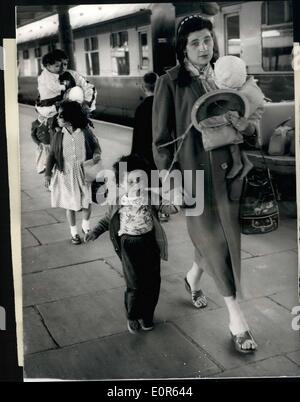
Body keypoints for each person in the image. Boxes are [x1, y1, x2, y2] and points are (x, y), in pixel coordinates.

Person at [153, 15, 263, 353]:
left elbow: (252, 130)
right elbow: (160, 141)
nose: (204, 48)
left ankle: (192, 279)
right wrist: (171, 182)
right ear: (183, 48)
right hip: (194, 179)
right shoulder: (169, 82)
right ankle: (237, 320)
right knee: (217, 244)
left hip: (231, 175)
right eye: (196, 42)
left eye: (208, 40)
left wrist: (246, 126)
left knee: (224, 241)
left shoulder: (228, 78)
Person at [85, 154, 176, 334]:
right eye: (131, 181)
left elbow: (168, 208)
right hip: (129, 245)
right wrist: (95, 231)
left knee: (152, 282)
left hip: (149, 243)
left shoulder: (151, 196)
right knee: (134, 284)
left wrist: (176, 202)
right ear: (121, 183)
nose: (136, 185)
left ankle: (148, 315)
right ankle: (133, 315)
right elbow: (106, 220)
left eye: (140, 180)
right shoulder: (118, 201)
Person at [45, 101, 101, 245]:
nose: (57, 118)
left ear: (70, 118)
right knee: (70, 205)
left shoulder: (85, 132)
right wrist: (47, 174)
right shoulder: (58, 135)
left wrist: (96, 155)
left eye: (60, 115)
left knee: (87, 203)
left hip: (83, 174)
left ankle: (86, 226)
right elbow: (51, 155)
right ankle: (74, 233)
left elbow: (96, 147)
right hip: (66, 175)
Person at [213, 55, 265, 179]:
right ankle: (244, 162)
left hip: (250, 133)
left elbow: (233, 114)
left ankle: (238, 163)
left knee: (226, 127)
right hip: (246, 129)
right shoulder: (247, 85)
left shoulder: (247, 93)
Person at [131, 72, 169, 222]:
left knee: (151, 182)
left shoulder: (141, 108)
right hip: (163, 150)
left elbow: (137, 136)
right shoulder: (163, 106)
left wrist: (134, 156)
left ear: (143, 87)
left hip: (146, 151)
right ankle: (165, 211)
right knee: (163, 179)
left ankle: (154, 210)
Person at [31, 52, 70, 173]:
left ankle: (55, 169)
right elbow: (53, 88)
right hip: (49, 105)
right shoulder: (47, 76)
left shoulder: (51, 74)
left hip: (52, 107)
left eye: (64, 65)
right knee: (55, 143)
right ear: (48, 66)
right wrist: (64, 87)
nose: (61, 68)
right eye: (58, 66)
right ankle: (53, 170)